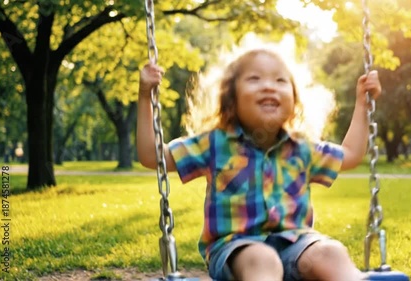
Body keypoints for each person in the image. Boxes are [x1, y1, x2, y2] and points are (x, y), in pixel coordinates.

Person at [137, 49, 382, 281]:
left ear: (294, 100)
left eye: (280, 80)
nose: (268, 86)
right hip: (236, 249)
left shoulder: (302, 148)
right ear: (230, 98)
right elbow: (152, 156)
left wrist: (362, 103)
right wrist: (145, 96)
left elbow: (349, 155)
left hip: (296, 246)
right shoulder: (214, 144)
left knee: (331, 252)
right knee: (262, 258)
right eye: (254, 79)